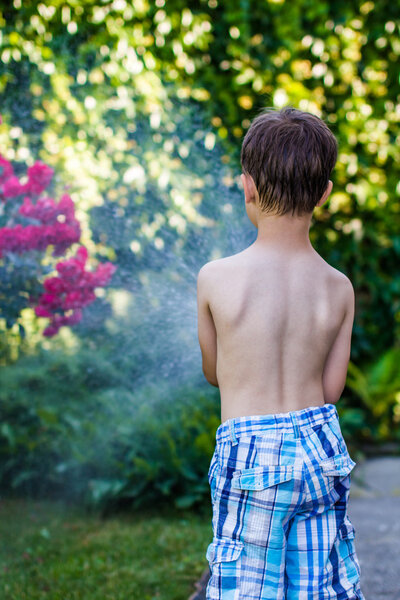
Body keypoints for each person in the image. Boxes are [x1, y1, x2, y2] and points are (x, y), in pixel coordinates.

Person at [196, 107, 365, 600]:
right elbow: (330, 390)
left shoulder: (216, 278)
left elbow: (215, 373)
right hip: (320, 447)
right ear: (325, 194)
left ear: (246, 186)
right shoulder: (339, 288)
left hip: (252, 455)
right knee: (319, 586)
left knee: (247, 587)